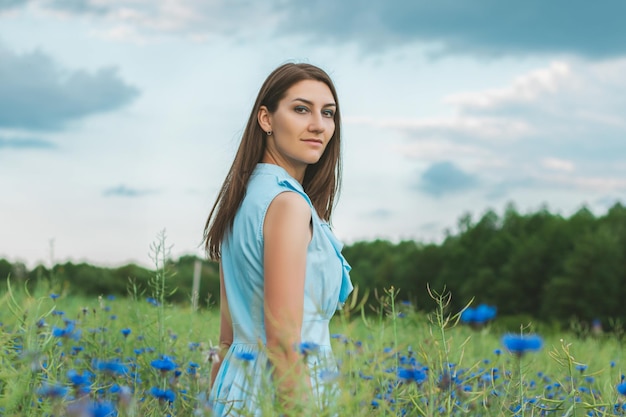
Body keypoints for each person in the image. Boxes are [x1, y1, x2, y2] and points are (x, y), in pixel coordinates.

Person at [203, 62, 353, 416]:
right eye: (301, 109)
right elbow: (285, 346)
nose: (318, 124)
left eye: (328, 113)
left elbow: (227, 341)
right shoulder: (287, 205)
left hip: (236, 389)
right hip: (282, 395)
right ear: (266, 119)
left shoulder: (242, 198)